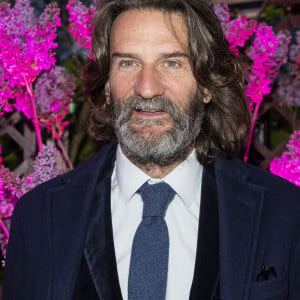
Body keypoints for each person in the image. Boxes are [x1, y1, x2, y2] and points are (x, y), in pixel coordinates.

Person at [3, 0, 300, 299]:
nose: (147, 88)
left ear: (207, 84)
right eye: (128, 63)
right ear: (107, 85)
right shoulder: (38, 216)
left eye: (171, 63)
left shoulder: (284, 213)